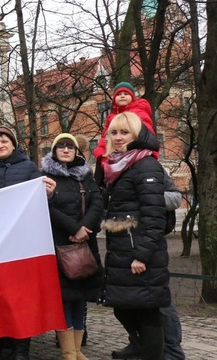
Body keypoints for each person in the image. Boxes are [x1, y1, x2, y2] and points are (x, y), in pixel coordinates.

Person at [0, 126, 55, 360]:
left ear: (13, 144)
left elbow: (40, 201)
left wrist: (49, 194)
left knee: (22, 298)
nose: (0, 145)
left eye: (4, 141)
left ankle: (21, 349)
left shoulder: (29, 168)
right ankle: (1, 343)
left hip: (23, 244)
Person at [100, 112, 169, 360]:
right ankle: (138, 345)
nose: (118, 138)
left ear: (137, 135)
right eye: (115, 133)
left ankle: (152, 355)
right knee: (122, 307)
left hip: (139, 251)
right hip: (121, 248)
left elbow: (154, 216)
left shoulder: (146, 165)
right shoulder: (119, 165)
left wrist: (142, 255)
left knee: (147, 309)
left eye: (125, 132)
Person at [41, 133, 103, 360]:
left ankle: (77, 351)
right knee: (64, 299)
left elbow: (97, 203)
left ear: (77, 151)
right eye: (61, 146)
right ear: (54, 151)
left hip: (86, 243)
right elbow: (46, 209)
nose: (66, 150)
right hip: (59, 244)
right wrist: (73, 229)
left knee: (80, 298)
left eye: (70, 146)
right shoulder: (46, 176)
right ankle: (68, 352)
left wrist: (85, 228)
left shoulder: (86, 175)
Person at [93, 82, 157, 165]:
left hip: (135, 153)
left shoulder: (139, 112)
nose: (122, 96)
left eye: (126, 94)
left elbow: (146, 134)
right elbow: (105, 136)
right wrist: (102, 154)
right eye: (118, 94)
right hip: (115, 154)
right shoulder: (112, 117)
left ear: (132, 97)